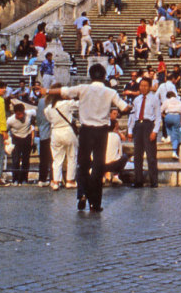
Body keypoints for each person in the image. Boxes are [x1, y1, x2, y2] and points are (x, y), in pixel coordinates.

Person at [50, 63, 129, 212]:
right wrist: (130, 108)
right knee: (98, 166)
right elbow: (124, 107)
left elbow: (63, 91)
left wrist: (46, 90)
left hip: (86, 130)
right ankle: (95, 203)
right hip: (101, 132)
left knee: (83, 164)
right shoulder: (110, 92)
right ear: (104, 76)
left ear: (90, 76)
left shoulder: (83, 88)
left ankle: (82, 194)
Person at [127, 76, 160, 189]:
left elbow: (158, 117)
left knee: (151, 156)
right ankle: (138, 180)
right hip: (138, 126)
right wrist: (130, 130)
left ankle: (153, 180)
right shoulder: (136, 100)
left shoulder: (154, 99)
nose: (143, 88)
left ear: (150, 87)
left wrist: (155, 131)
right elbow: (132, 116)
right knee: (137, 155)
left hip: (148, 125)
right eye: (141, 85)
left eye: (145, 86)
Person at [45, 96, 80, 190]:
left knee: (57, 159)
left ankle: (56, 181)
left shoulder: (48, 108)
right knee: (72, 156)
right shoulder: (67, 104)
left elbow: (49, 120)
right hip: (67, 130)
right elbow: (80, 104)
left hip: (55, 131)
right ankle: (70, 181)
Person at [6, 102, 35, 185]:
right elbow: (5, 130)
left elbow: (36, 112)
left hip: (27, 137)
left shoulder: (29, 114)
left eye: (22, 114)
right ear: (15, 113)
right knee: (16, 160)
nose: (20, 116)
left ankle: (24, 178)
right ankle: (15, 179)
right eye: (18, 114)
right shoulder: (10, 120)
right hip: (16, 138)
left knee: (26, 159)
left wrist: (32, 138)